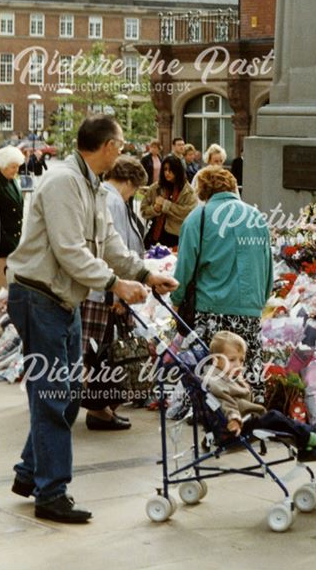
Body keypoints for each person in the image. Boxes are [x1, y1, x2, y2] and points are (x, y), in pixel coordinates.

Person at [5, 115, 179, 523]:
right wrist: (117, 284)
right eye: (120, 143)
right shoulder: (64, 182)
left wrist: (145, 274)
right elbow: (70, 251)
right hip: (40, 297)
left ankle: (30, 473)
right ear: (106, 146)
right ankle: (51, 493)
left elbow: (111, 244)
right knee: (53, 396)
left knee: (65, 395)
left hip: (64, 299)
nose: (124, 149)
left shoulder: (94, 187)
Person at [172, 166, 272, 399]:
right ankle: (249, 412)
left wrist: (176, 300)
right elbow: (268, 266)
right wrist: (260, 301)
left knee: (211, 377)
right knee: (245, 371)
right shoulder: (256, 217)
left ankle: (216, 417)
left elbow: (184, 266)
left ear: (203, 191)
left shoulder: (199, 217)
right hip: (249, 308)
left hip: (211, 308)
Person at [81, 155, 148, 431]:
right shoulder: (113, 201)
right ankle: (99, 409)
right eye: (135, 189)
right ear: (129, 182)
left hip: (104, 289)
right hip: (106, 292)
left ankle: (101, 407)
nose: (134, 195)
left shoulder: (106, 197)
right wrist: (118, 294)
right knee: (105, 352)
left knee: (100, 351)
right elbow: (114, 252)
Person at [203, 330, 316, 458]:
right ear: (216, 360)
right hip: (234, 428)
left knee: (280, 422)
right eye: (232, 359)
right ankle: (314, 438)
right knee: (275, 417)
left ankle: (307, 446)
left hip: (243, 421)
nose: (238, 365)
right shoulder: (215, 380)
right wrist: (233, 419)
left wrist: (241, 383)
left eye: (241, 360)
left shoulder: (226, 376)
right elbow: (224, 402)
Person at [140, 153, 197, 250]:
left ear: (178, 171)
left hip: (176, 238)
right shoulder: (155, 188)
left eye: (171, 170)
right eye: (165, 169)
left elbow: (188, 213)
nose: (167, 173)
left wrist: (166, 205)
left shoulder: (187, 191)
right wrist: (154, 209)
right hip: (155, 236)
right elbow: (143, 210)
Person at [0, 146, 25, 295]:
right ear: (3, 165)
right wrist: (7, 242)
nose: (16, 170)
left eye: (18, 166)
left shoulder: (13, 182)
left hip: (14, 243)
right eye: (13, 166)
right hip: (1, 246)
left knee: (9, 288)